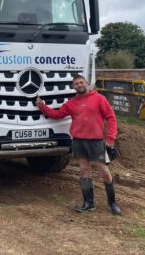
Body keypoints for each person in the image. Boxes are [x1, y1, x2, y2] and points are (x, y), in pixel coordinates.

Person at [36, 74, 122, 215]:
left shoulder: (99, 99)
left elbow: (111, 118)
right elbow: (57, 115)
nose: (79, 85)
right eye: (76, 84)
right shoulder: (71, 103)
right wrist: (42, 107)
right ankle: (88, 203)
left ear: (87, 83)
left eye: (81, 82)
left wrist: (111, 138)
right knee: (84, 171)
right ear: (73, 87)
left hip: (96, 142)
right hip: (78, 141)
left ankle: (112, 203)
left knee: (104, 172)